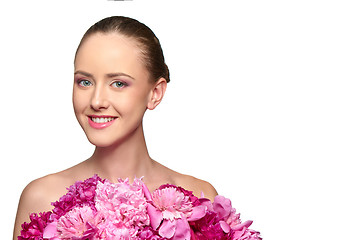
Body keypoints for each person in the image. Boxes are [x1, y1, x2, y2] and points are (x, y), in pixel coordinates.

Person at [13, 16, 217, 239]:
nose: (97, 101)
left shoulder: (198, 199)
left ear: (155, 93)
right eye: (85, 82)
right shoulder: (41, 197)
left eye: (118, 83)